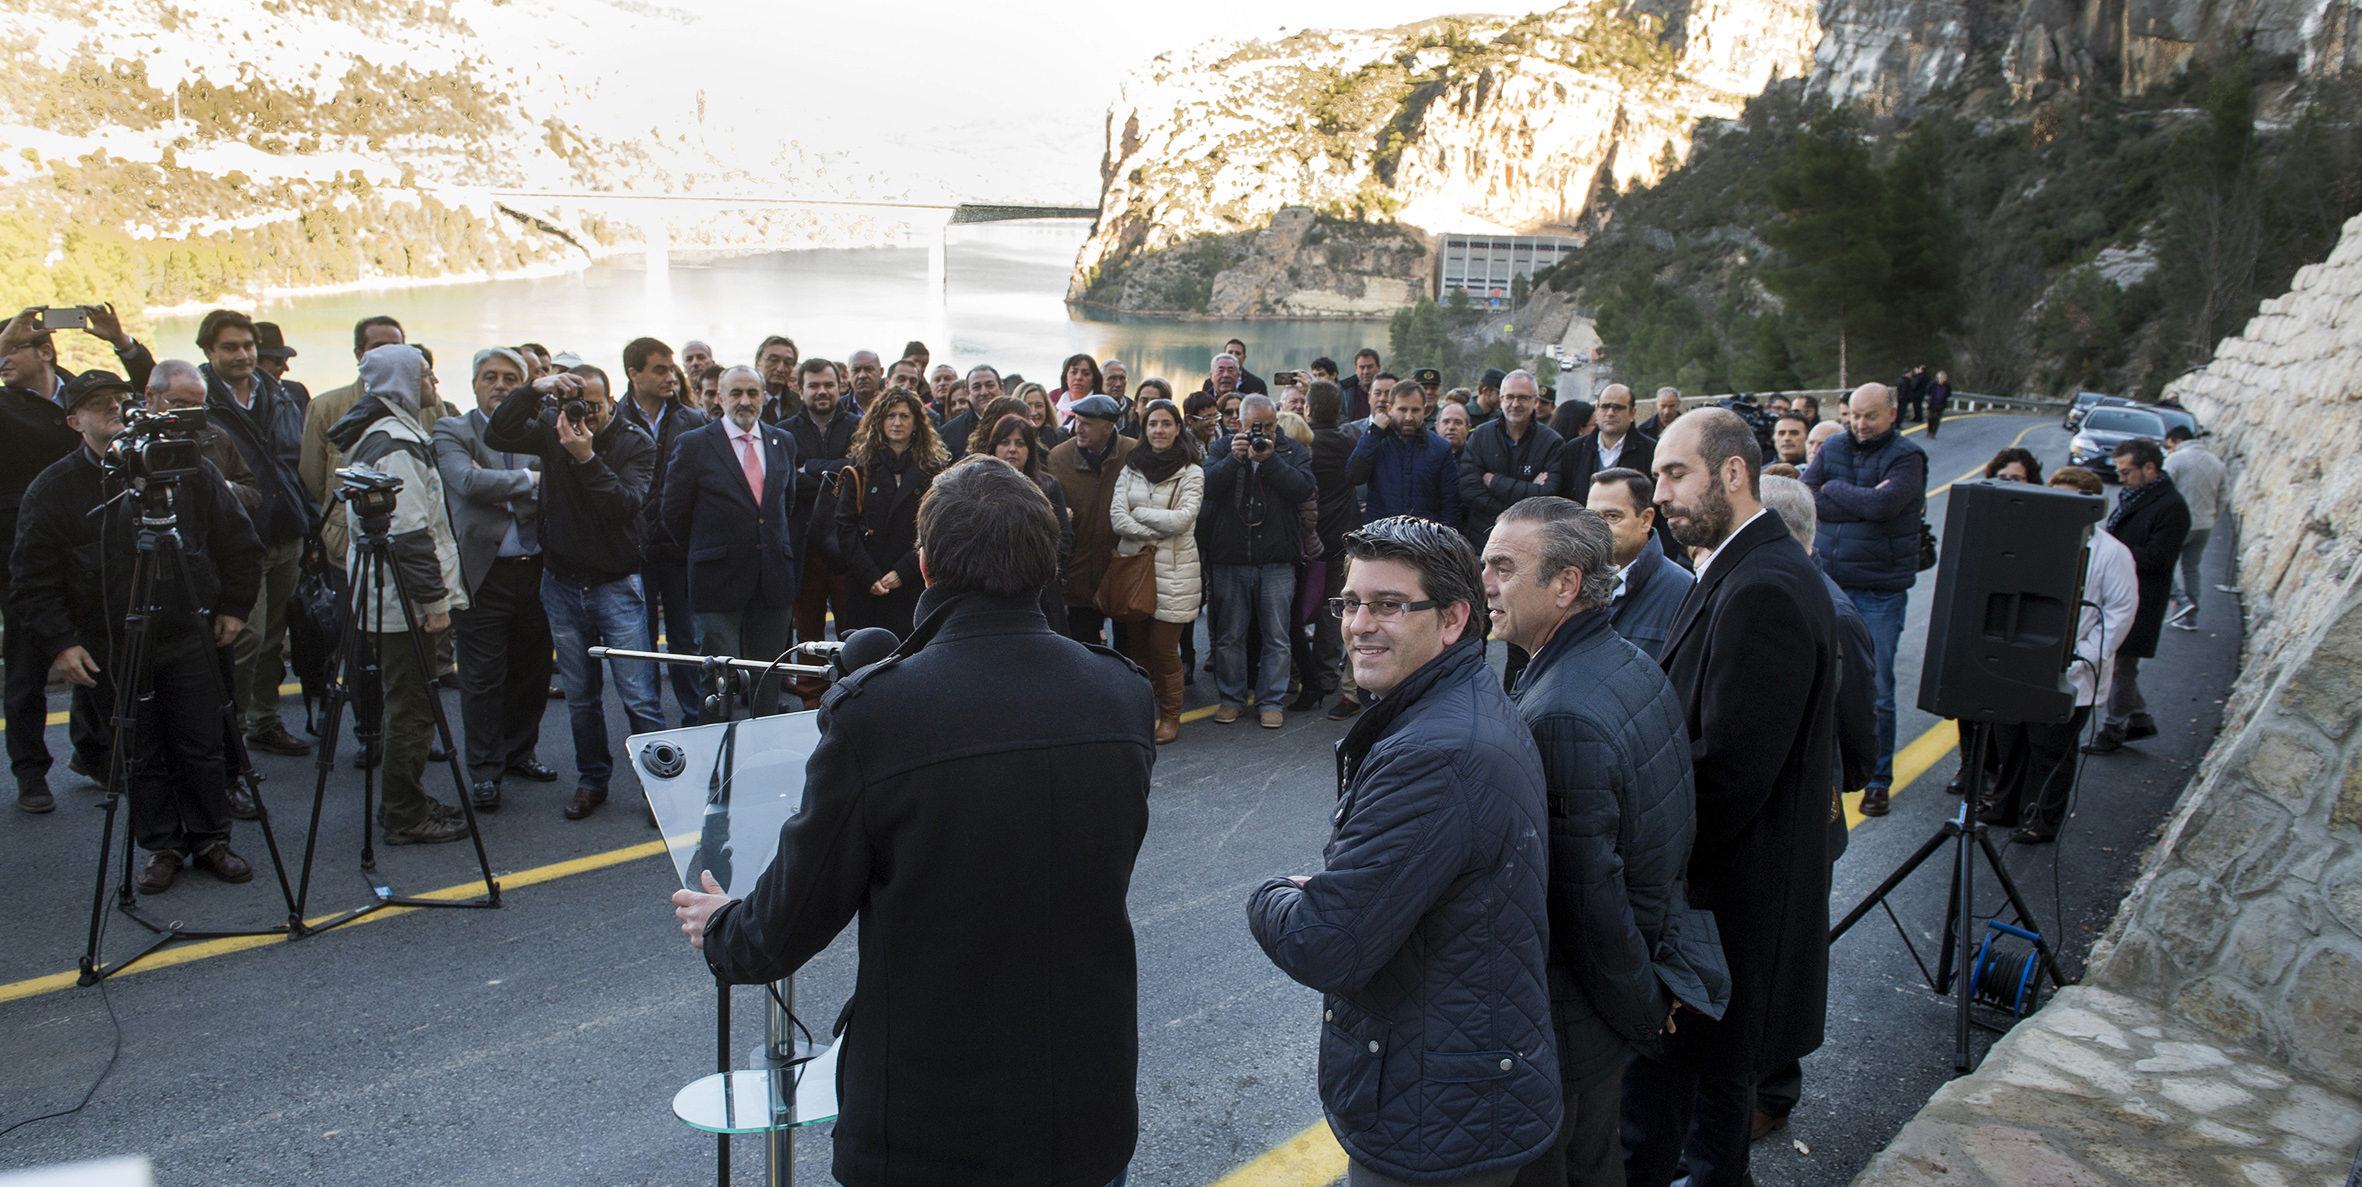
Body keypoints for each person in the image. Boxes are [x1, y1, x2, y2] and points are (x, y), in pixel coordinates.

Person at [672, 459, 1154, 1187]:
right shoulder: (1121, 693)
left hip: (935, 1127)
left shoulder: (880, 714)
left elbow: (785, 924)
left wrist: (722, 927)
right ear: (1044, 561)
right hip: (1088, 1101)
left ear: (926, 565)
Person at [1247, 515, 1560, 1187]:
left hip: (1434, 1114)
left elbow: (1325, 940)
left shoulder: (1434, 754)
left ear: (1452, 619)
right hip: (1460, 1076)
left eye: (1388, 605)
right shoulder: (1458, 701)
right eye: (1350, 602)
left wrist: (1273, 894)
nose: (1359, 623)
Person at [1482, 498, 1727, 1187]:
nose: (1486, 583)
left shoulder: (1560, 713)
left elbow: (1588, 904)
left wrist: (1645, 1008)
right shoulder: (1626, 661)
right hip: (1606, 1010)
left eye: (1503, 566)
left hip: (1573, 1023)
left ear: (1565, 583)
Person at [1632, 408, 1838, 1187]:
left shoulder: (1764, 589)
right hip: (1719, 914)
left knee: (1714, 1140)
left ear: (1733, 473)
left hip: (1730, 912)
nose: (1661, 493)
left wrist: (1639, 849)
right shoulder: (1738, 567)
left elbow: (1727, 775)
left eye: (1675, 473)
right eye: (1656, 475)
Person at [11, 371, 262, 875]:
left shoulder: (184, 466)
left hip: (190, 632)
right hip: (111, 642)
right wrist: (61, 644)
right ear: (73, 420)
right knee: (138, 754)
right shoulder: (54, 488)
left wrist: (234, 606)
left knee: (202, 744)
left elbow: (237, 540)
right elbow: (31, 577)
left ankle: (212, 839)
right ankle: (161, 847)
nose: (113, 409)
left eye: (121, 400)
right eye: (97, 404)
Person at [1748, 474, 1877, 1141]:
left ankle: (1773, 1091)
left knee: (1788, 954)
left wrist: (1841, 783)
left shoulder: (1830, 609)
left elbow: (1860, 726)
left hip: (1804, 816)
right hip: (1766, 814)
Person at [487, 365, 663, 821]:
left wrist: (586, 458)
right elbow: (498, 433)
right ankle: (593, 780)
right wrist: (531, 390)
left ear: (612, 402)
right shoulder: (553, 428)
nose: (585, 413)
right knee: (581, 696)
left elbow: (625, 506)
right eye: (577, 403)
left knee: (638, 695)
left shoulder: (636, 442)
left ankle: (659, 787)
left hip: (616, 584)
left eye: (595, 405)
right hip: (562, 582)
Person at [323, 346, 473, 845]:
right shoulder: (395, 444)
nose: (433, 381)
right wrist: (433, 606)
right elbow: (409, 536)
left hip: (385, 595)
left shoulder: (383, 433)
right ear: (406, 382)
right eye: (426, 373)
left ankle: (404, 797)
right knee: (412, 706)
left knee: (405, 700)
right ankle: (404, 812)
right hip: (402, 602)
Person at [1975, 466, 2141, 842]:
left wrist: (2081, 654)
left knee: (2050, 749)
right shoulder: (2035, 539)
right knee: (2010, 739)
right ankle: (2004, 806)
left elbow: (2119, 613)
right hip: (2023, 663)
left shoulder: (2113, 553)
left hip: (2073, 669)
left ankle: (2041, 818)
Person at [432, 347, 555, 815]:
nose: (499, 385)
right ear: (474, 383)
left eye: (509, 377)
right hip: (482, 574)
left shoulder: (535, 428)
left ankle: (520, 753)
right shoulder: (451, 430)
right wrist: (530, 479)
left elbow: (551, 488)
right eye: (489, 377)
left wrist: (501, 486)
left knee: (532, 671)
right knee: (482, 679)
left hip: (538, 570)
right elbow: (465, 483)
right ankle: (484, 771)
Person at [198, 309, 321, 760]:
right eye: (229, 347)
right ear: (208, 351)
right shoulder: (198, 401)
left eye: (247, 346)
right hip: (234, 541)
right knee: (242, 641)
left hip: (286, 531)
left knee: (272, 637)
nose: (242, 355)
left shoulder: (283, 394)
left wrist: (310, 526)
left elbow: (296, 464)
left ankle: (263, 723)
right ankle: (222, 737)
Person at [1800, 382, 1926, 817]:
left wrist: (1835, 491)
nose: (1860, 424)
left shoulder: (1908, 457)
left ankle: (1877, 779)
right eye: (1854, 415)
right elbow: (1805, 496)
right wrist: (1855, 498)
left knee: (1876, 690)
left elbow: (1885, 505)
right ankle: (1825, 772)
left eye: (1869, 416)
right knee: (1818, 683)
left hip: (1878, 591)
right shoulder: (1832, 446)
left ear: (1892, 413)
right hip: (1829, 582)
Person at [652, 365, 801, 721]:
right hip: (716, 578)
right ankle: (717, 760)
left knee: (769, 674)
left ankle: (762, 754)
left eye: (752, 393)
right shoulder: (694, 445)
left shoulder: (783, 442)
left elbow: (785, 504)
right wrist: (709, 550)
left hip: (773, 578)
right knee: (719, 677)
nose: (745, 401)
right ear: (720, 398)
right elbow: (673, 513)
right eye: (736, 393)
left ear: (764, 397)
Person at [1, 328, 105, 810]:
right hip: (26, 557)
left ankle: (94, 753)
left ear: (44, 352)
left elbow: (154, 399)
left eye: (9, 350)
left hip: (90, 551)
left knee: (96, 657)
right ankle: (30, 772)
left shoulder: (83, 391)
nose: (3, 360)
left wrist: (123, 344)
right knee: (27, 668)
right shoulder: (6, 407)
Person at [614, 337, 711, 725]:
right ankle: (649, 724)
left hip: (676, 548)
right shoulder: (613, 420)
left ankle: (693, 717)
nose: (671, 377)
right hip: (631, 550)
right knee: (641, 643)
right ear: (633, 374)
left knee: (685, 639)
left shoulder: (691, 419)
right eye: (659, 369)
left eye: (672, 369)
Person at [1204, 394, 1317, 727]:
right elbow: (1207, 488)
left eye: (1269, 425)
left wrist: (1270, 462)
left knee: (1277, 636)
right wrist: (1235, 461)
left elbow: (1303, 489)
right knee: (1229, 635)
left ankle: (1271, 701)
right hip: (1231, 558)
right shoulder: (1223, 449)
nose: (1263, 433)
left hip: (1276, 560)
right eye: (1257, 426)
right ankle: (1231, 699)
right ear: (1239, 424)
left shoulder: (1291, 451)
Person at [2085, 438, 2191, 755]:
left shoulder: (2171, 507)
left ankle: (2114, 729)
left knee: (2120, 666)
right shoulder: (2138, 494)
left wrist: (2114, 554)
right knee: (2121, 665)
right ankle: (2139, 718)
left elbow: (2160, 558)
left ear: (2150, 468)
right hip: (2120, 591)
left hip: (2140, 598)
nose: (2121, 478)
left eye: (2127, 471)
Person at [1107, 398, 1204, 744]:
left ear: (1178, 428)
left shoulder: (1192, 471)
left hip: (1175, 576)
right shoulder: (1131, 468)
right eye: (1152, 424)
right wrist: (1154, 524)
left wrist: (1140, 514)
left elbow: (1182, 520)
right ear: (1143, 428)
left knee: (1164, 651)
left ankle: (1171, 717)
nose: (1158, 430)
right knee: (1138, 652)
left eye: (1166, 423)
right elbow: (1117, 519)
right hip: (1135, 573)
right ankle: (1142, 712)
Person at [778, 360, 859, 707]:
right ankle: (811, 703)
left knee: (851, 631)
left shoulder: (859, 426)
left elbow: (859, 470)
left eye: (828, 384)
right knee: (807, 633)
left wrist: (809, 467)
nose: (822, 391)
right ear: (800, 389)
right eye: (813, 385)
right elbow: (784, 481)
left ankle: (854, 696)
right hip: (801, 544)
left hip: (847, 544)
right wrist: (838, 469)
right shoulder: (782, 432)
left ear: (840, 385)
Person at [835, 389, 943, 639]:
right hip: (866, 584)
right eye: (890, 415)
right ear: (879, 421)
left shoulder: (932, 469)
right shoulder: (860, 465)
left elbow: (935, 528)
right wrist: (870, 575)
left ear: (916, 422)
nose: (897, 423)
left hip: (911, 583)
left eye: (904, 416)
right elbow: (845, 526)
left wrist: (902, 572)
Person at [1046, 394, 1139, 649]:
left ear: (1108, 427)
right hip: (1078, 574)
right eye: (1077, 421)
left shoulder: (1134, 453)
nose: (1078, 428)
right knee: (1082, 651)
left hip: (1122, 570)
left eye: (1086, 423)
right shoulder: (1058, 457)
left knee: (1128, 652)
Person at [1585, 467, 1692, 661]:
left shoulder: (1684, 592)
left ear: (1645, 520)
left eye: (1612, 516)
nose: (1598, 529)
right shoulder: (1569, 584)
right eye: (1591, 517)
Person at [982, 411, 1074, 634]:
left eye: (1020, 443)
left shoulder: (1049, 486)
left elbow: (1065, 540)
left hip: (1040, 588)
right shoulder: (978, 486)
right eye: (1005, 442)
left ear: (1030, 449)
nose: (1012, 449)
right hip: (992, 589)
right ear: (993, 447)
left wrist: (1031, 564)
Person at [1304, 380, 1364, 720]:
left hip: (1308, 535)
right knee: (1332, 608)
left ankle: (1299, 674)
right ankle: (1327, 673)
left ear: (1308, 409)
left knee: (1300, 606)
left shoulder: (1303, 442)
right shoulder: (1349, 439)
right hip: (1341, 534)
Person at [144, 360, 260, 515]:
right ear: (151, 396)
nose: (189, 415)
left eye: (198, 407)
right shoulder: (129, 440)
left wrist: (219, 487)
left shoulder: (215, 437)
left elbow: (253, 496)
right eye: (179, 405)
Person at [1458, 370, 1561, 545]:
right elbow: (1468, 488)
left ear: (1535, 401)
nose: (1515, 403)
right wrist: (1512, 510)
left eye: (1523, 397)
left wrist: (1495, 482)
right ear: (1501, 399)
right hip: (1483, 539)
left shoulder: (1551, 441)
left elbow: (1548, 494)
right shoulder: (1481, 435)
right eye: (1509, 397)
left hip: (1530, 541)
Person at [1347, 381, 1459, 528]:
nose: (1409, 417)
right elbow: (1354, 475)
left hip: (1423, 538)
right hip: (1381, 536)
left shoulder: (1440, 448)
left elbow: (1450, 502)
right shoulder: (1375, 441)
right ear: (1389, 409)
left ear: (1424, 410)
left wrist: (1443, 540)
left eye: (1415, 410)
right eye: (1402, 409)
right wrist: (1374, 434)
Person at [2162, 424, 2224, 631]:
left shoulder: (2176, 459)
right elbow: (2225, 496)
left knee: (2162, 565)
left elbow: (2163, 489)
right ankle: (2191, 618)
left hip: (2179, 524)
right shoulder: (2216, 462)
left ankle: (2181, 601)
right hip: (2204, 525)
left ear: (2176, 441)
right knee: (2191, 569)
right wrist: (2212, 518)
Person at [938, 364, 1005, 458]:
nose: (984, 392)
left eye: (990, 386)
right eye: (976, 387)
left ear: (1001, 389)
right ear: (967, 393)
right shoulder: (949, 432)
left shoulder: (1018, 423)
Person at [755, 335, 801, 423]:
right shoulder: (745, 400)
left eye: (788, 363)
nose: (780, 369)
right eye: (773, 360)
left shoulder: (800, 404)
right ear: (758, 363)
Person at [1053, 352, 1101, 423]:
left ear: (1094, 380)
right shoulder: (1055, 407)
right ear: (1065, 377)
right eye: (1073, 372)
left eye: (1085, 374)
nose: (1078, 377)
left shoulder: (1099, 409)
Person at [1339, 347, 1382, 422]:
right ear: (1356, 369)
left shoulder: (1389, 391)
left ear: (1378, 368)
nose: (1366, 372)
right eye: (1362, 367)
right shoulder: (1344, 392)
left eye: (1369, 367)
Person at [1925, 369, 1952, 437]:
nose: (1943, 379)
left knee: (1937, 419)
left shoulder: (1947, 385)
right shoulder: (1933, 384)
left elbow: (1949, 393)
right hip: (1933, 403)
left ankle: (1933, 433)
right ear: (1938, 378)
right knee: (1930, 417)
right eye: (1942, 377)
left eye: (1944, 377)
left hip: (1941, 404)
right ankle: (1929, 430)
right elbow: (1928, 391)